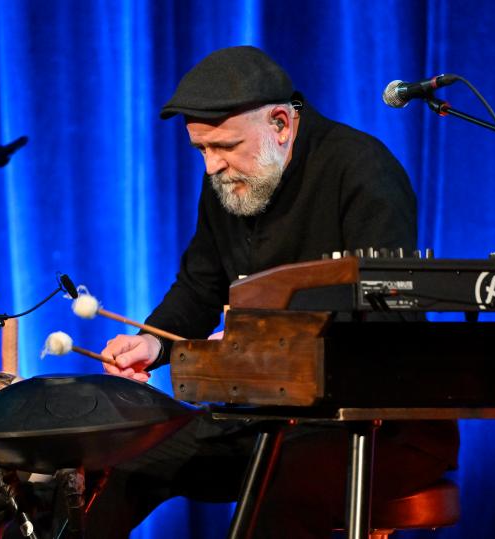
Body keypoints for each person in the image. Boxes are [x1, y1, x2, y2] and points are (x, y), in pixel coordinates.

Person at [88, 46, 460, 538]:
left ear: (281, 124)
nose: (211, 167)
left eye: (224, 147)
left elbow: (385, 312)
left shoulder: (363, 169)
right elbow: (200, 288)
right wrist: (153, 344)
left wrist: (262, 343)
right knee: (123, 464)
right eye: (202, 150)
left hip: (384, 425)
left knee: (277, 488)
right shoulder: (230, 179)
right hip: (269, 418)